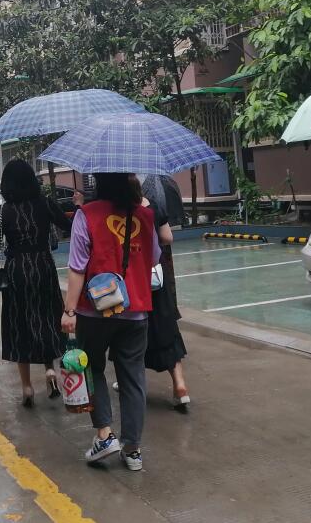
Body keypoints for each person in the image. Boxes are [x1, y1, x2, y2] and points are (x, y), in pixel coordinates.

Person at [61, 173, 160, 472]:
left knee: (92, 368)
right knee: (133, 378)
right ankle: (133, 449)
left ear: (98, 182)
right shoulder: (145, 215)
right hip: (136, 309)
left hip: (94, 310)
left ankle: (104, 435)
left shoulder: (86, 215)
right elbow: (154, 257)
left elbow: (77, 267)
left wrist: (69, 311)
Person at [0, 160, 83, 407]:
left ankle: (26, 387)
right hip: (43, 266)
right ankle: (50, 370)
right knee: (47, 317)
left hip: (17, 271)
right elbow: (70, 227)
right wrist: (78, 207)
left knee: (19, 323)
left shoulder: (2, 212)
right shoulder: (45, 203)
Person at [114, 176, 191, 412]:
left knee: (129, 332)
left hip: (130, 279)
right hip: (155, 276)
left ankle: (128, 381)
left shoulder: (115, 211)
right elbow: (168, 238)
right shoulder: (152, 207)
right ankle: (179, 384)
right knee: (166, 328)